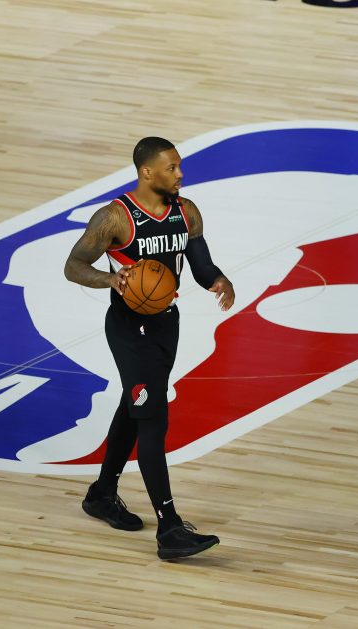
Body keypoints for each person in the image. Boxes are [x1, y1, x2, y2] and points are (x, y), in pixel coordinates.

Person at [62, 136, 234, 560]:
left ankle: (102, 493)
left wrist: (218, 279)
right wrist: (111, 279)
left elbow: (200, 265)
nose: (180, 174)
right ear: (147, 172)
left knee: (136, 406)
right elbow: (73, 266)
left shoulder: (185, 211)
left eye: (179, 167)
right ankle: (170, 527)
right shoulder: (115, 218)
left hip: (165, 325)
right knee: (154, 414)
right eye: (172, 168)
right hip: (127, 326)